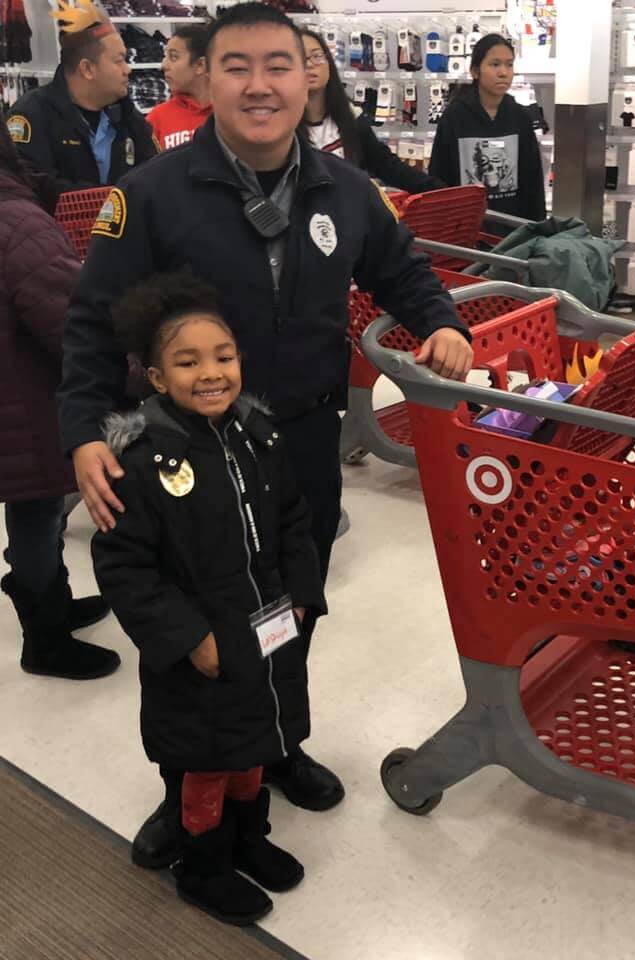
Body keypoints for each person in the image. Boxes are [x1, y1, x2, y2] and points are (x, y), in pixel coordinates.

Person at [58, 2, 473, 871]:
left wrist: (441, 323)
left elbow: (403, 270)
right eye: (237, 65)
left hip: (303, 451)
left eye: (279, 65)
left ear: (306, 78)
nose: (260, 84)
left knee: (292, 600)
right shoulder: (151, 195)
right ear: (206, 80)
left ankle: (275, 743)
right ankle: (184, 793)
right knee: (193, 627)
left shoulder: (346, 190)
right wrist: (84, 431)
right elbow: (93, 323)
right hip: (185, 459)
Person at [92, 273, 320, 926]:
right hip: (201, 647)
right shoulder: (142, 461)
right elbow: (124, 565)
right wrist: (190, 636)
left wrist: (300, 595)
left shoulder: (259, 436)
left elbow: (295, 520)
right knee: (206, 766)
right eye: (187, 362)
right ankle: (204, 864)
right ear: (158, 379)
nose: (211, 373)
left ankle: (249, 840)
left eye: (223, 357)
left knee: (253, 745)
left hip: (268, 626)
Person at [0, 122, 118, 681]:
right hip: (24, 399)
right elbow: (68, 317)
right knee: (37, 505)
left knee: (32, 506)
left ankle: (52, 604)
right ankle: (44, 636)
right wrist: (133, 370)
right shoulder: (16, 221)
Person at [5, 0, 155, 198]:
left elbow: (153, 171)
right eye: (119, 60)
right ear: (87, 69)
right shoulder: (31, 115)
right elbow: (29, 185)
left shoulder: (127, 116)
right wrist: (106, 199)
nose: (127, 69)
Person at [298, 28, 440, 193]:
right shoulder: (283, 126)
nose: (309, 65)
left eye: (317, 56)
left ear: (329, 62)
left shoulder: (351, 117)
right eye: (301, 58)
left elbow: (385, 164)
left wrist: (434, 187)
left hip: (347, 213)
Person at [428, 34, 546, 221]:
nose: (503, 72)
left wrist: (537, 229)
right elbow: (440, 175)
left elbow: (532, 181)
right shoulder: (455, 117)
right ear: (475, 71)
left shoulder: (520, 117)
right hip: (465, 228)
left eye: (509, 64)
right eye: (495, 64)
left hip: (512, 230)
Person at [147, 23, 213, 151]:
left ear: (200, 65)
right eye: (166, 56)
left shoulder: (227, 116)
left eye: (174, 57)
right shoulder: (157, 119)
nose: (164, 65)